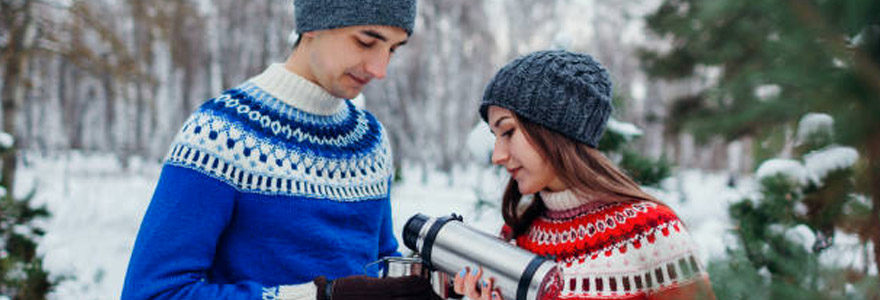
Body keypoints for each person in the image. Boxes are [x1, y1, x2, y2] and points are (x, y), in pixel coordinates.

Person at [121, 1, 439, 299]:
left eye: (393, 50)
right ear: (314, 24)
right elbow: (152, 292)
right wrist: (320, 295)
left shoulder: (371, 140)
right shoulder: (221, 135)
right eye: (367, 41)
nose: (379, 69)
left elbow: (379, 267)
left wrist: (431, 282)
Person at [453, 50, 716, 300]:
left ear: (555, 130)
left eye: (508, 132)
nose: (497, 155)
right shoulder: (518, 233)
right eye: (495, 136)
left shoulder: (651, 232)